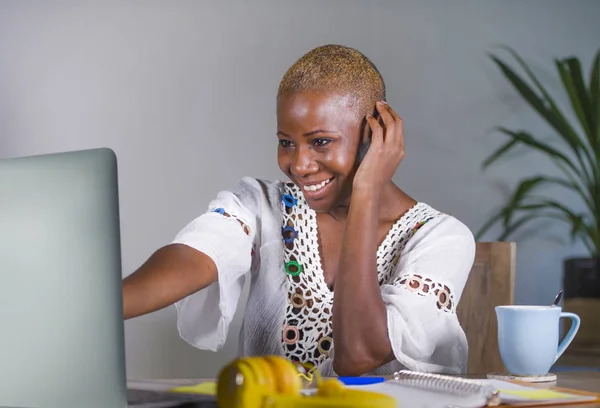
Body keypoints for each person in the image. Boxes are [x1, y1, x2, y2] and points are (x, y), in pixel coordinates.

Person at [123, 44, 475, 377]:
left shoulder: (441, 237)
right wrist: (92, 307)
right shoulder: (261, 204)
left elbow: (358, 355)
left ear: (375, 136)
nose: (299, 165)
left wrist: (367, 191)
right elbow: (194, 257)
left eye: (320, 142)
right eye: (286, 143)